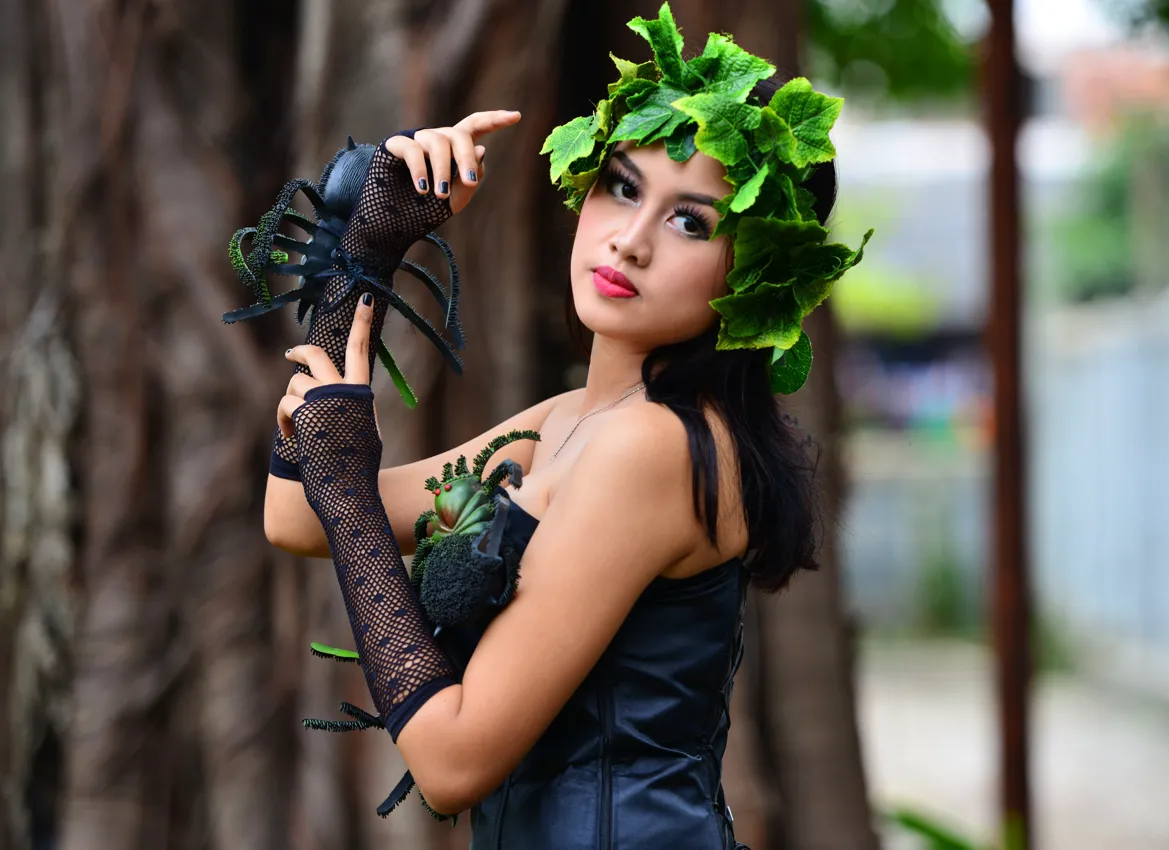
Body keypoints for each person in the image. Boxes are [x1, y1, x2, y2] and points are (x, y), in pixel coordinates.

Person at [255, 4, 870, 847]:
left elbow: (453, 762)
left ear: (753, 275)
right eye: (623, 187)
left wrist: (343, 474)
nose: (630, 241)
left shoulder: (649, 447)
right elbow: (298, 512)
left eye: (690, 221)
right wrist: (367, 247)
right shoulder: (566, 424)